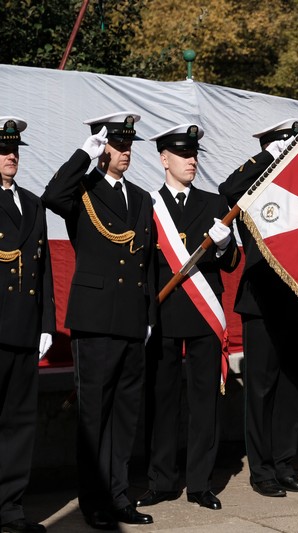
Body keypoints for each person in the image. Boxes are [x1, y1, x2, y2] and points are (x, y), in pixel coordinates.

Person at [42, 112, 156, 528]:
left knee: (125, 415)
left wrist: (149, 315)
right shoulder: (82, 190)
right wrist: (82, 156)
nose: (125, 151)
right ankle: (92, 501)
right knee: (94, 416)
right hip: (95, 320)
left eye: (129, 145)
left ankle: (119, 496)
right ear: (101, 146)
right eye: (117, 144)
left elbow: (147, 262)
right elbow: (51, 196)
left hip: (131, 318)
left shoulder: (140, 197)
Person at [136, 124, 240, 511]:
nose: (191, 160)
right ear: (164, 159)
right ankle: (161, 480)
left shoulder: (214, 203)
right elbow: (143, 265)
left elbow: (231, 263)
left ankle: (200, 483)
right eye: (182, 155)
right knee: (161, 400)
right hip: (164, 316)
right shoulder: (148, 204)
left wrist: (225, 245)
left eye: (194, 154)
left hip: (203, 316)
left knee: (204, 402)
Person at [218, 118, 298, 497]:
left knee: (292, 386)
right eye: (285, 148)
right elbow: (228, 188)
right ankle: (261, 471)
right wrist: (266, 158)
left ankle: (284, 464)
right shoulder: (254, 191)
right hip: (262, 300)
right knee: (260, 390)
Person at [0, 117, 54, 533]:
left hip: (25, 328)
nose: (10, 156)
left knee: (19, 423)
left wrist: (47, 323)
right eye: (3, 150)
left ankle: (11, 508)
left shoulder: (33, 203)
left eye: (14, 150)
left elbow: (44, 268)